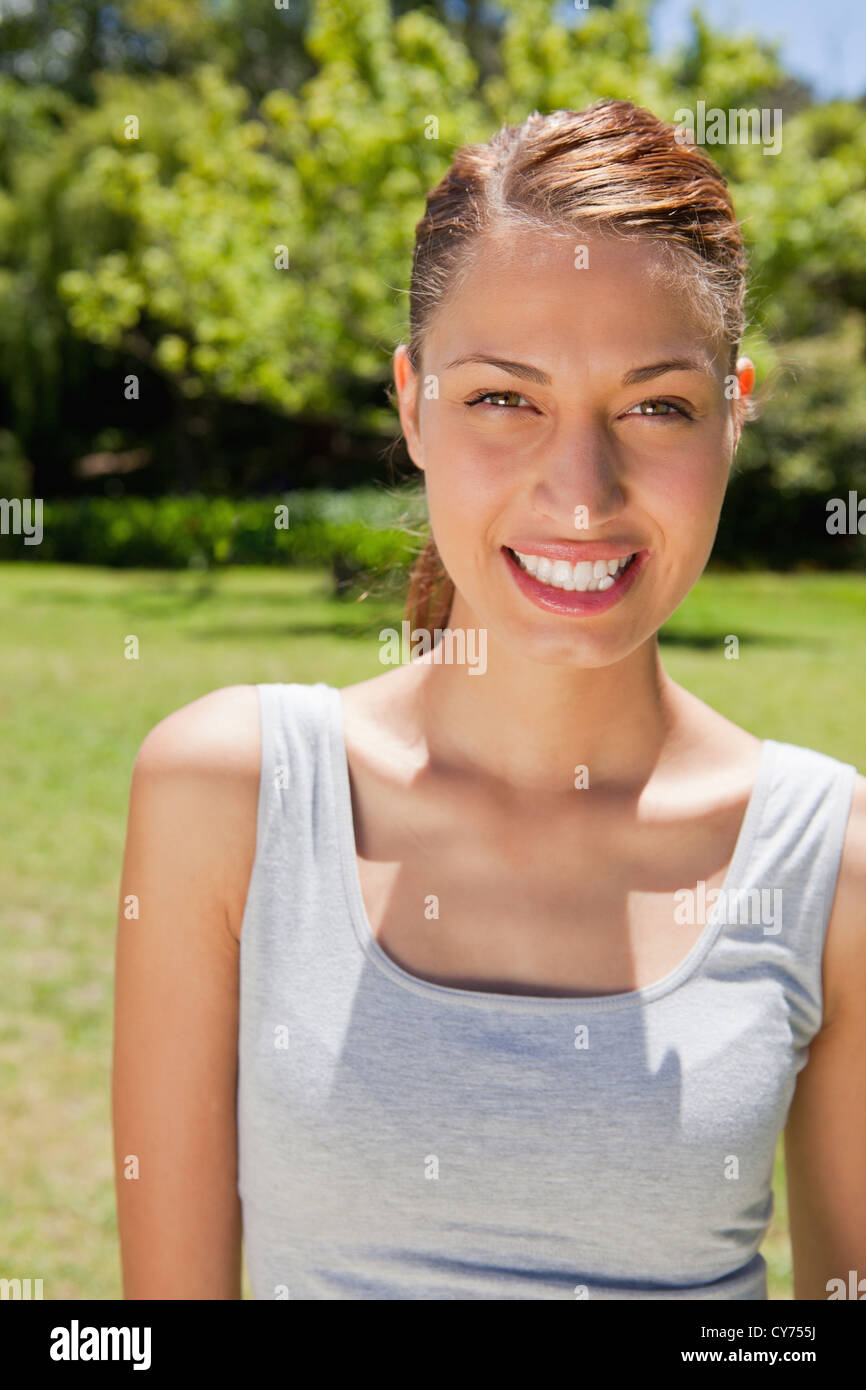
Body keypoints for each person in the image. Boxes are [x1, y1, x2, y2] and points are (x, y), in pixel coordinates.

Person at [112, 99, 866, 1300]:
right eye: (503, 399)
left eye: (654, 404)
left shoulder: (833, 861)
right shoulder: (226, 793)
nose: (580, 494)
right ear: (412, 404)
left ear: (734, 411)